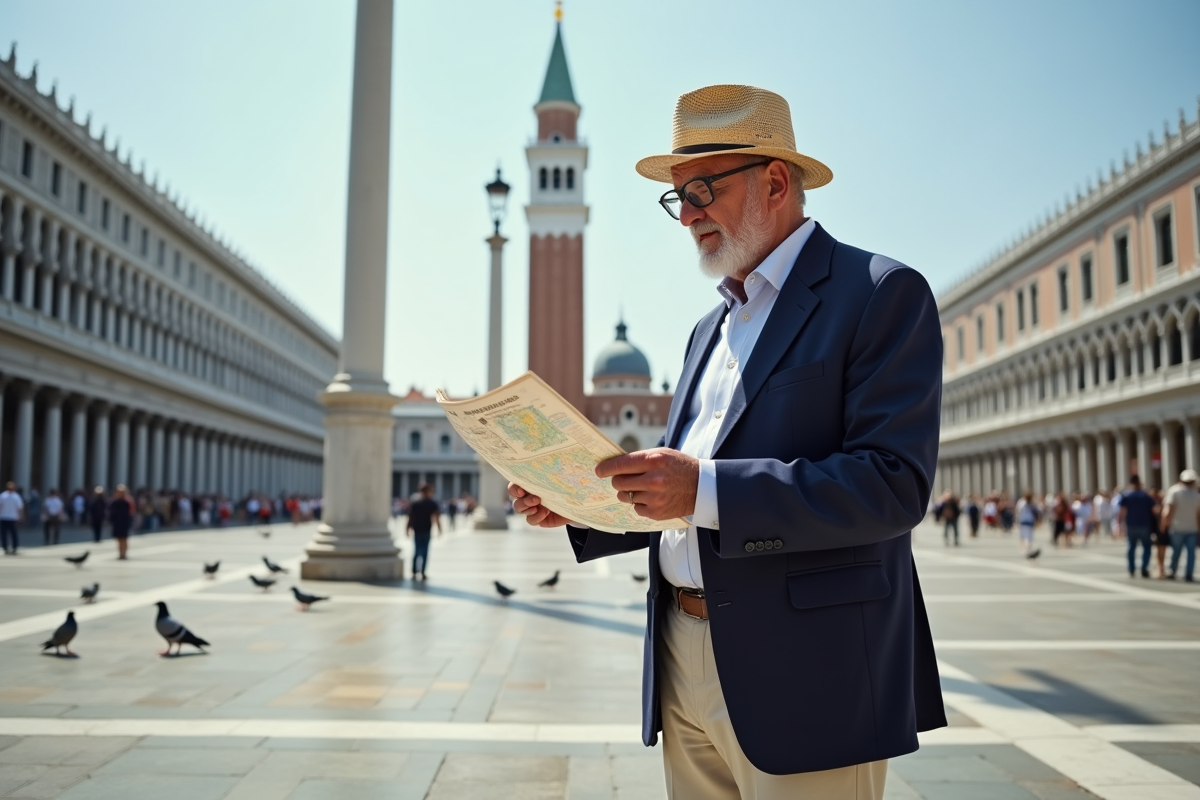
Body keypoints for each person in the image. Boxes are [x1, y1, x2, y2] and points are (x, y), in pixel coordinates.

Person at [510, 85, 945, 800]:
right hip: (682, 658)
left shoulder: (877, 294)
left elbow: (891, 483)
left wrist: (704, 488)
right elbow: (677, 493)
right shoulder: (707, 332)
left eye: (703, 189)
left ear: (776, 182)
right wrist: (580, 503)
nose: (687, 215)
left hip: (810, 670)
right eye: (677, 197)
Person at [1162, 470, 1199, 582]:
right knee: (1191, 553)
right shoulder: (1196, 495)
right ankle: (1188, 573)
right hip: (1191, 528)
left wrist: (1164, 524)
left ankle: (1172, 570)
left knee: (1176, 551)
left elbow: (1168, 510)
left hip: (1177, 527)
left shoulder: (1174, 491)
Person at [1119, 475, 1155, 578]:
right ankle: (1144, 567)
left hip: (1131, 524)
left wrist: (1119, 524)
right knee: (1146, 547)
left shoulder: (1126, 495)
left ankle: (1131, 568)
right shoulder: (1145, 495)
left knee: (1131, 547)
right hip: (1144, 524)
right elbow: (1154, 510)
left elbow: (1122, 511)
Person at [405, 484, 441, 581]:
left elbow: (410, 517)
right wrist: (439, 529)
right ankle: (423, 572)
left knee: (417, 551)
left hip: (418, 529)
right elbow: (436, 517)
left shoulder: (416, 503)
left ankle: (414, 571)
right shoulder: (432, 503)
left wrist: (407, 528)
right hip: (425, 530)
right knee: (424, 552)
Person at [108, 484, 134, 560]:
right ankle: (120, 553)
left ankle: (124, 554)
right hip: (117, 522)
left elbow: (131, 512)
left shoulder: (128, 501)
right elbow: (111, 511)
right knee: (119, 539)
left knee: (124, 539)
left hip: (125, 522)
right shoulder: (114, 501)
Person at [0, 481, 25, 555]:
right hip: (12, 518)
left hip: (5, 517)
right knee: (13, 533)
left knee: (5, 534)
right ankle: (14, 547)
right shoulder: (16, 496)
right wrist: (21, 517)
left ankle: (6, 547)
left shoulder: (3, 495)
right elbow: (20, 508)